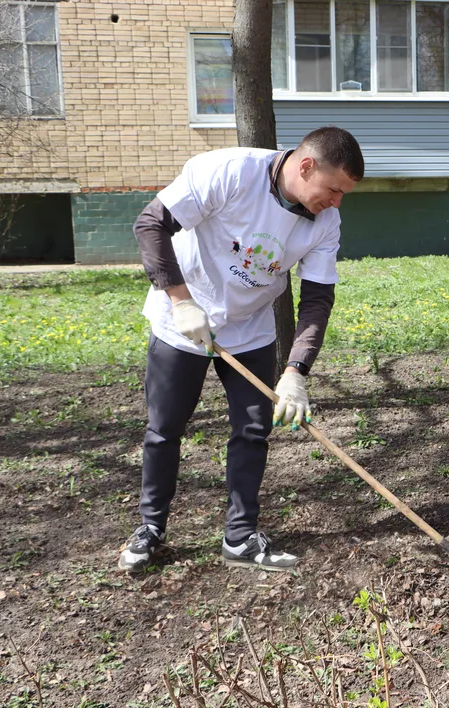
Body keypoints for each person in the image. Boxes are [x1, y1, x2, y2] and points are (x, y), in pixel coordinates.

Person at [119, 127, 364, 573]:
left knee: (252, 431)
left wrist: (295, 371)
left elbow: (317, 298)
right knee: (164, 429)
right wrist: (181, 301)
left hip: (250, 330)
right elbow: (151, 224)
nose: (336, 202)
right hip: (184, 321)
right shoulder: (229, 172)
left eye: (343, 194)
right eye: (333, 189)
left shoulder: (325, 221)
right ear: (306, 166)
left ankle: (240, 537)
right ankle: (150, 528)